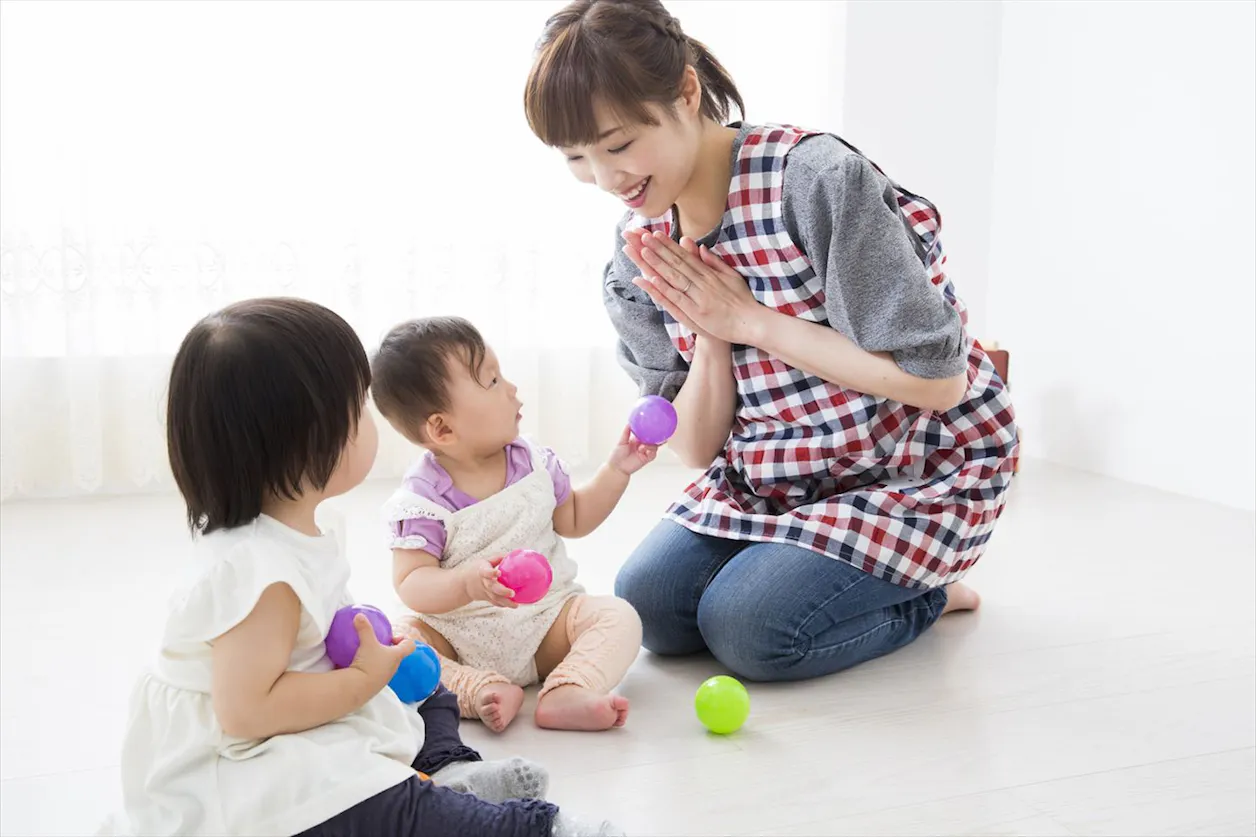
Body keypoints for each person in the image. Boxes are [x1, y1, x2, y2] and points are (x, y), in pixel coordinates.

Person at [523, 0, 1019, 683]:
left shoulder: (810, 181)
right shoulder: (641, 250)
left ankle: (925, 593)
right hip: (776, 476)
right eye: (577, 158)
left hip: (908, 467)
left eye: (618, 144)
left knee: (751, 630)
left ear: (686, 92)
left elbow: (939, 381)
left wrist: (751, 322)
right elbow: (696, 448)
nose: (608, 179)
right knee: (653, 610)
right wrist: (709, 334)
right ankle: (844, 570)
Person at [99, 298, 622, 837]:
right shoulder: (260, 573)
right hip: (251, 773)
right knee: (395, 810)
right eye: (359, 407)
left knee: (424, 682)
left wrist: (372, 672)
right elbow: (247, 714)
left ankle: (446, 770)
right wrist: (361, 679)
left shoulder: (287, 535)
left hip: (298, 714)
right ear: (310, 441)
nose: (373, 421)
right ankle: (529, 828)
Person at [372, 316, 647, 733]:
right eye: (492, 381)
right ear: (442, 427)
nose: (512, 388)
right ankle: (477, 688)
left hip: (546, 623)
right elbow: (411, 582)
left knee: (620, 617)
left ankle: (568, 688)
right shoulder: (423, 500)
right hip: (458, 635)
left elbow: (573, 518)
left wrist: (617, 470)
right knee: (395, 642)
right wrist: (466, 583)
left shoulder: (533, 463)